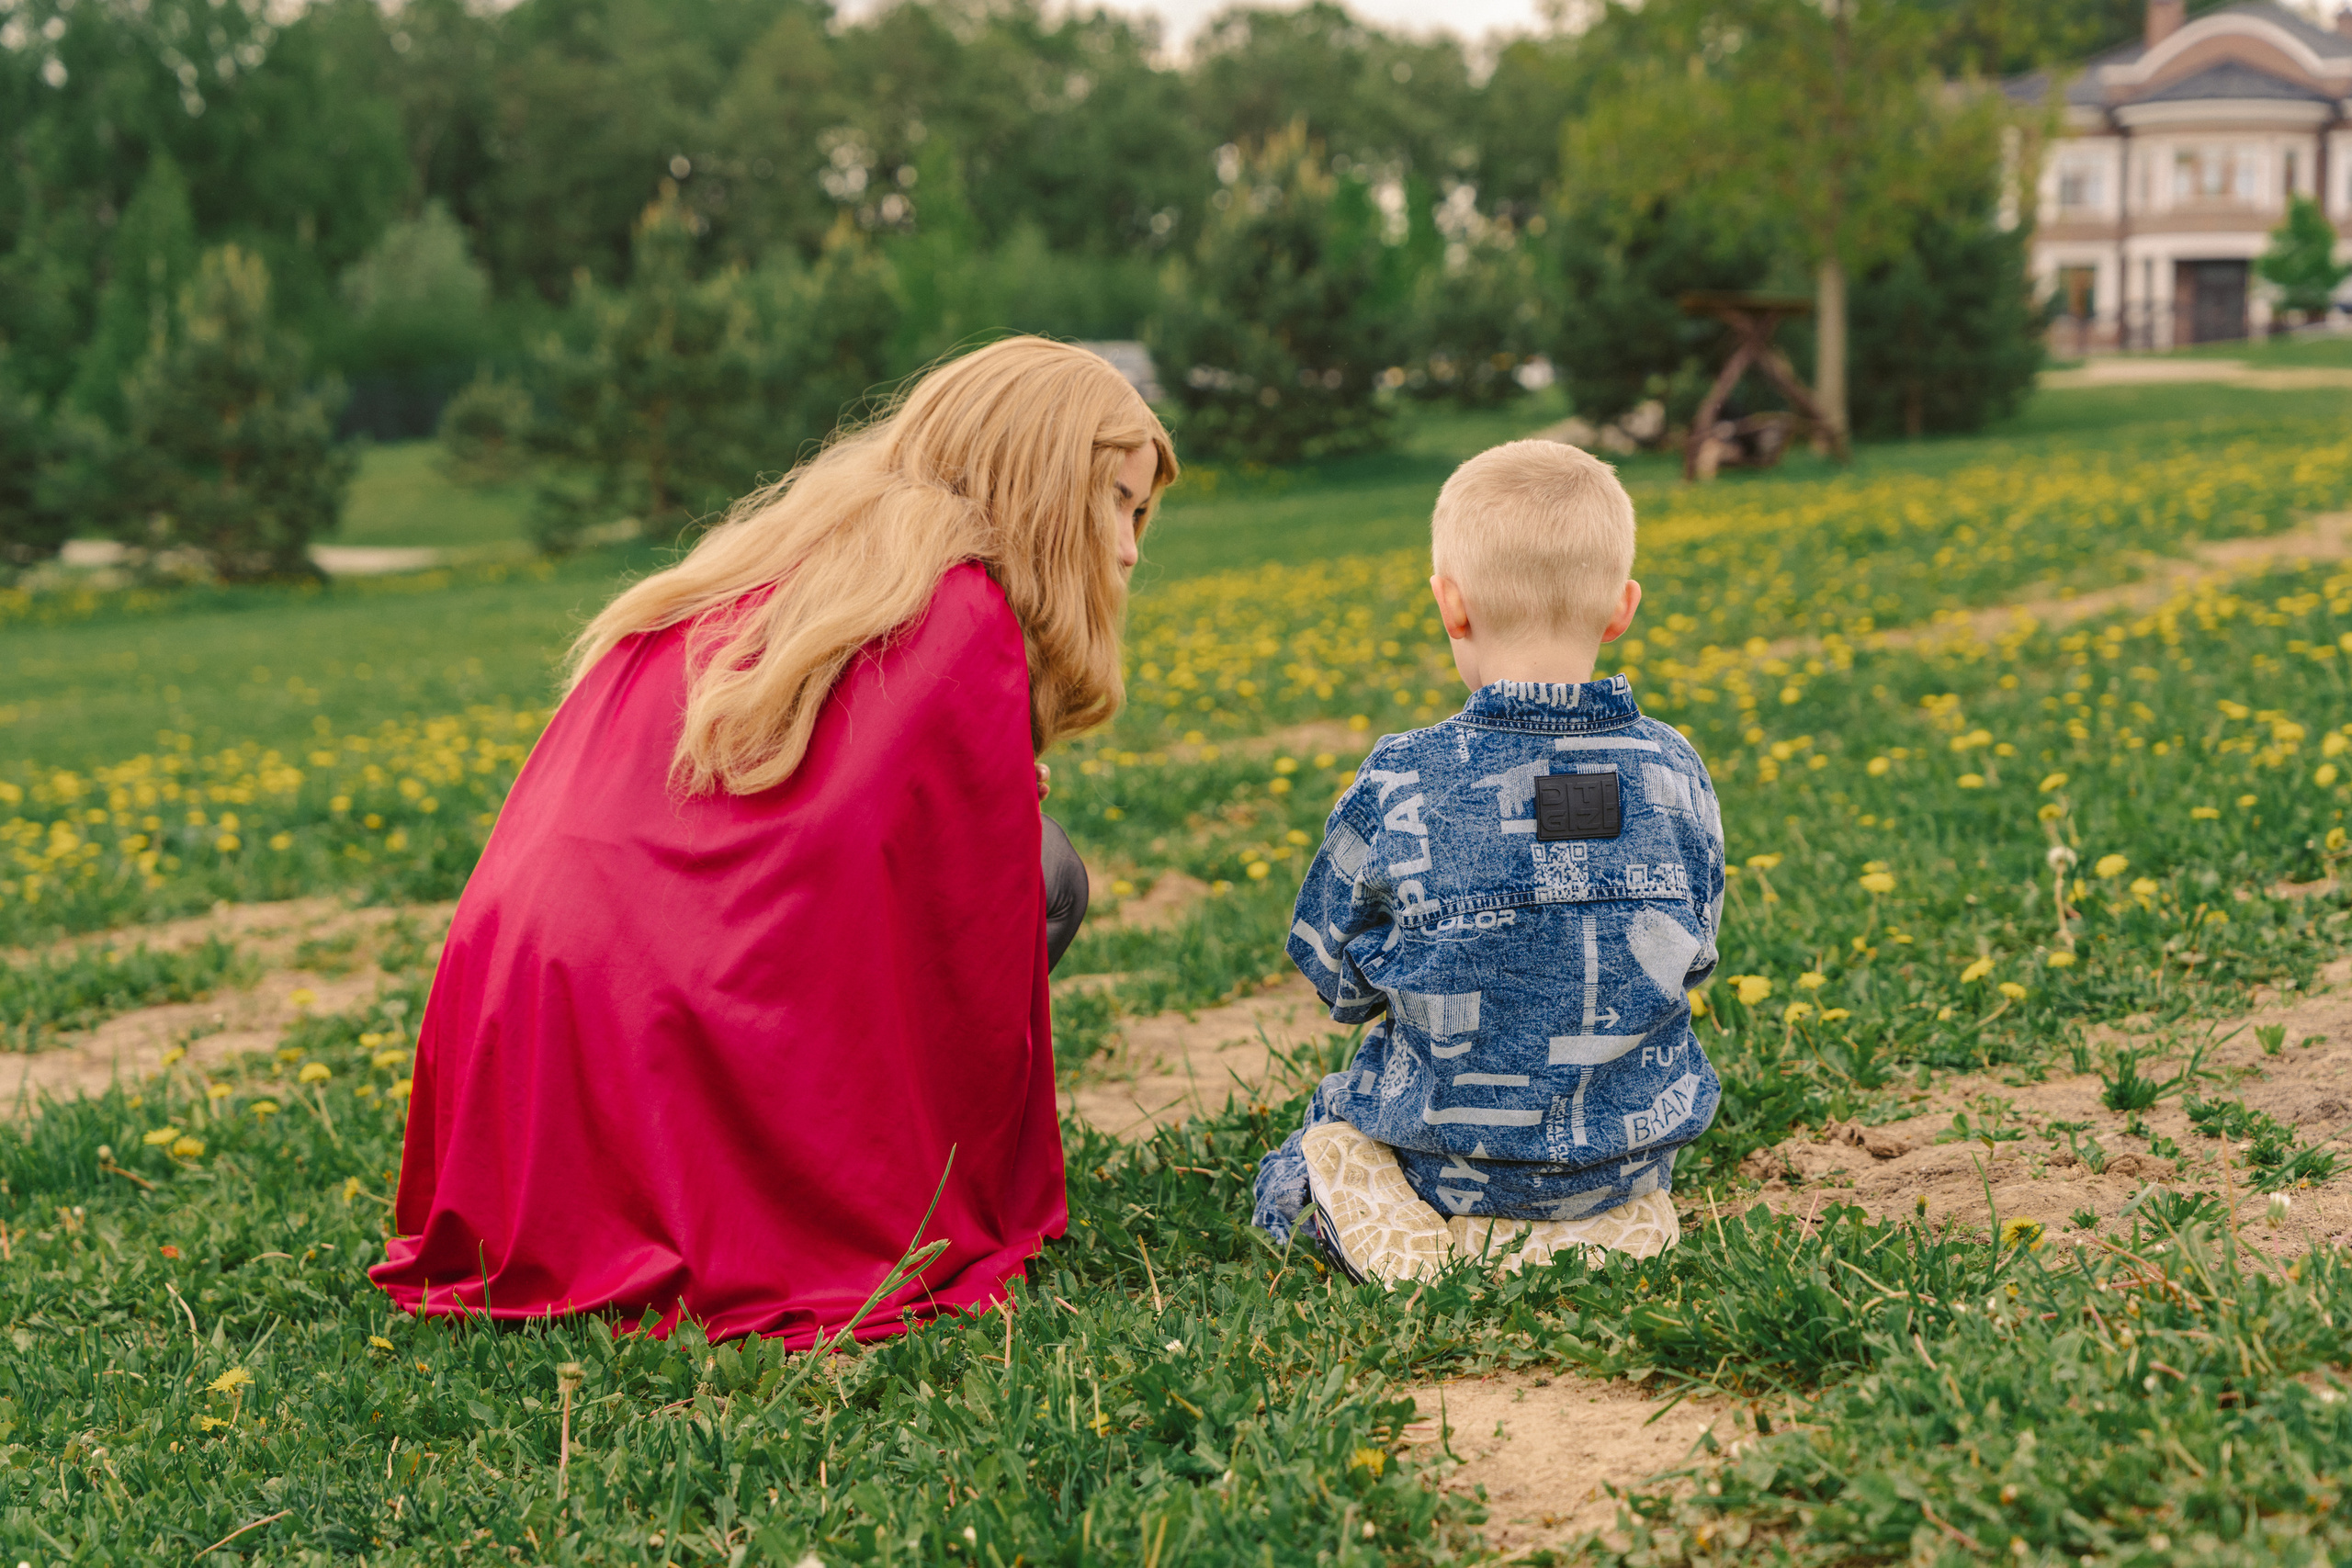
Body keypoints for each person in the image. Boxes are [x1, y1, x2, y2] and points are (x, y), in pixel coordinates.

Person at [370, 337, 1176, 1345]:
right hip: (661, 1020)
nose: (1131, 546)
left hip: (525, 1036)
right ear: (1044, 477)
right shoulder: (959, 601)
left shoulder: (794, 550)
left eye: (1140, 514)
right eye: (1114, 501)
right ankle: (865, 1177)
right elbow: (892, 904)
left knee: (1019, 847)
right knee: (1045, 875)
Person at [1250, 439, 1724, 1285]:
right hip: (1625, 1155)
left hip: (1440, 1159)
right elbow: (1697, 948)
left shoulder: (1400, 778)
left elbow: (1335, 971)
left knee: (1311, 1146)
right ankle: (1596, 1225)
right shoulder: (1674, 770)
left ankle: (1416, 1224)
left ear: (1451, 606)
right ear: (1622, 609)